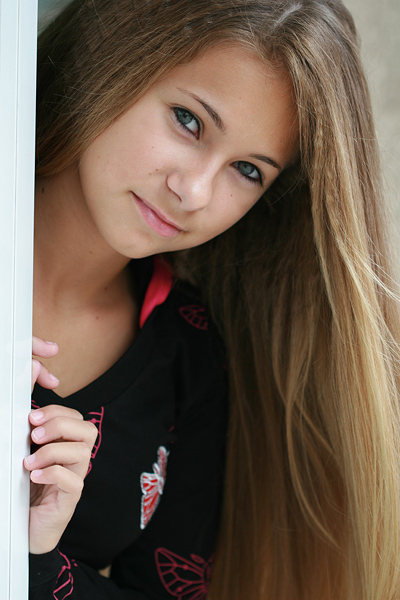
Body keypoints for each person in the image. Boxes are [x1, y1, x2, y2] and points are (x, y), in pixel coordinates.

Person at [26, 0, 400, 599]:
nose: (194, 192)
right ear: (112, 53)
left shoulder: (192, 358)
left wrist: (34, 561)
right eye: (188, 120)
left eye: (248, 171)